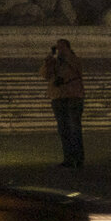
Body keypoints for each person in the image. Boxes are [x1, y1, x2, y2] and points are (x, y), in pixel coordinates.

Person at [41, 38, 86, 169]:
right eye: (57, 48)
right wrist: (48, 60)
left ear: (68, 48)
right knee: (63, 129)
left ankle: (78, 158)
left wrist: (66, 56)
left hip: (73, 96)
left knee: (74, 128)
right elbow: (44, 75)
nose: (59, 50)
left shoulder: (74, 59)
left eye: (62, 47)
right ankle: (68, 158)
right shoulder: (54, 62)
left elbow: (78, 69)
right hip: (58, 97)